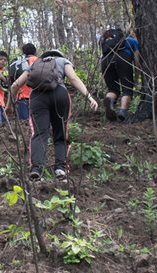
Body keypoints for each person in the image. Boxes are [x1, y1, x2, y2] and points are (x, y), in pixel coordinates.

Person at [6, 49, 99, 181]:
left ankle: (36, 169)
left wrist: (9, 105)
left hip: (37, 97)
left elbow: (15, 85)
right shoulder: (63, 61)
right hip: (60, 94)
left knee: (39, 134)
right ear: (59, 55)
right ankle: (60, 169)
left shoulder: (35, 64)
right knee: (60, 133)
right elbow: (73, 78)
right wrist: (89, 97)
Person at [99, 26, 140, 121]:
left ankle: (110, 102)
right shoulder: (131, 40)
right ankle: (123, 112)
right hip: (123, 58)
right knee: (127, 89)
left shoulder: (106, 44)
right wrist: (138, 74)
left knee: (113, 89)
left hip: (105, 60)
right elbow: (137, 59)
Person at [8, 43, 37, 121]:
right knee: (36, 122)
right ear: (35, 52)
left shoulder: (19, 62)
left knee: (24, 122)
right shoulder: (37, 60)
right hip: (36, 95)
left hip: (21, 95)